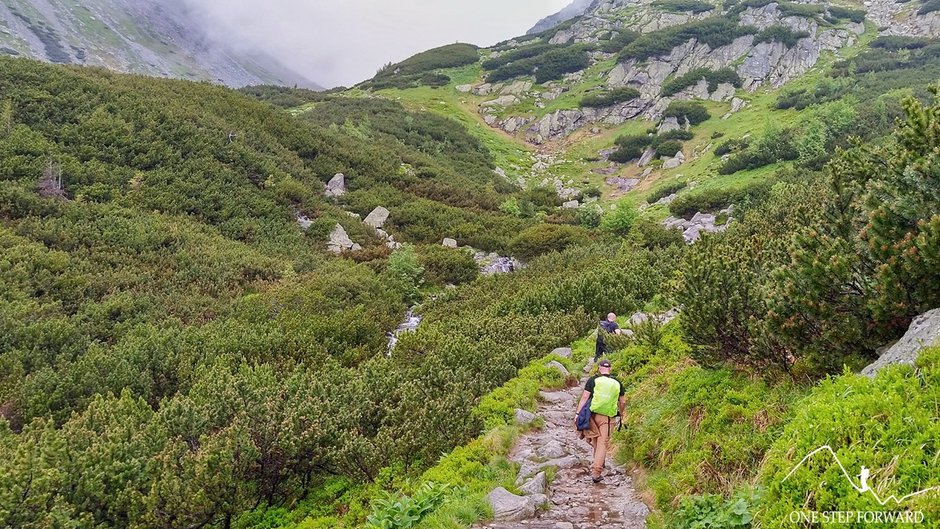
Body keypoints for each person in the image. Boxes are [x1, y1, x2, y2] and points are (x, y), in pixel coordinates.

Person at [575, 359, 626, 483]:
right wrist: (621, 412)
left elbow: (585, 397)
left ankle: (599, 463)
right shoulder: (617, 382)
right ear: (610, 369)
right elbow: (623, 401)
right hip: (608, 417)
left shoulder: (593, 380)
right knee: (603, 443)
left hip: (592, 416)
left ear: (599, 368)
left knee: (595, 441)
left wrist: (577, 414)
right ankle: (596, 472)